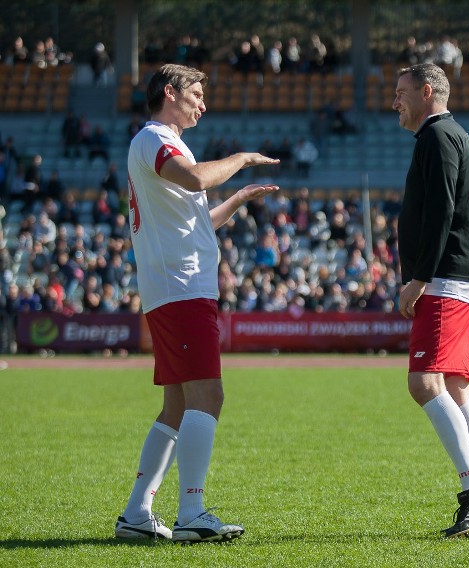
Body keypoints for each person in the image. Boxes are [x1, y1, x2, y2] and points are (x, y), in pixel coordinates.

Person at [115, 63, 279, 543]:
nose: (203, 104)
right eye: (197, 94)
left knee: (177, 406)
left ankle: (137, 513)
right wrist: (242, 159)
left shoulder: (161, 143)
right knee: (209, 396)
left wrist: (240, 197)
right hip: (181, 289)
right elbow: (195, 179)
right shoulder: (154, 138)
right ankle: (191, 512)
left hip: (176, 287)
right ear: (170, 92)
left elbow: (194, 219)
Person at [392, 62, 469, 538]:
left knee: (424, 383)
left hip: (444, 281)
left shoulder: (437, 138)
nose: (394, 100)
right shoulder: (455, 136)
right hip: (458, 278)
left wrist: (419, 277)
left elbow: (440, 213)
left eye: (401, 91)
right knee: (457, 391)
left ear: (427, 91)